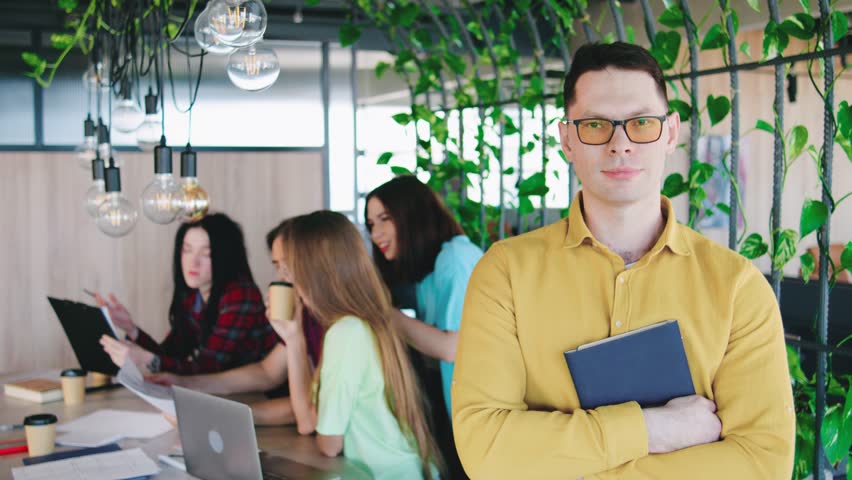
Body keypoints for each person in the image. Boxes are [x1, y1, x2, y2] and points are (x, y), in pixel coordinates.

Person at [452, 42, 795, 479]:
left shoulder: (736, 286)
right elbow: (486, 450)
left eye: (641, 123)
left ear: (670, 133)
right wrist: (656, 429)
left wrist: (568, 463)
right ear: (567, 139)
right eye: (595, 125)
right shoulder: (505, 273)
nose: (620, 144)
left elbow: (762, 464)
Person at [275, 210, 442, 480]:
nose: (289, 280)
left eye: (291, 268)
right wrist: (294, 338)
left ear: (314, 272)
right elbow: (308, 421)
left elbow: (329, 443)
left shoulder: (345, 333)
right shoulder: (358, 324)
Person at [144, 219, 326, 425]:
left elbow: (310, 411)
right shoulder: (305, 313)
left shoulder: (338, 325)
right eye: (277, 267)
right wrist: (184, 382)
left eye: (287, 267)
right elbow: (267, 371)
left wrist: (215, 413)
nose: (281, 278)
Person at [98, 213, 278, 376]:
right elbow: (171, 354)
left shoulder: (240, 294)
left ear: (225, 257)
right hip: (222, 394)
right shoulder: (193, 295)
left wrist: (146, 359)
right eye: (187, 250)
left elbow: (208, 367)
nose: (193, 262)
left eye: (206, 254)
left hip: (257, 396)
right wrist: (131, 329)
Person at [365, 175, 483, 416]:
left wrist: (384, 312)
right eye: (370, 225)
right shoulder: (427, 270)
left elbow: (452, 347)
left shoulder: (455, 258)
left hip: (480, 417)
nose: (375, 234)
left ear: (412, 216)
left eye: (384, 219)